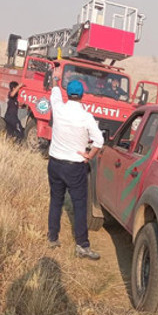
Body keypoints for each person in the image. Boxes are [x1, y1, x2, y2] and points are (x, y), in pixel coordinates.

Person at [47, 70, 104, 260]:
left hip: (55, 163)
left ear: (68, 94)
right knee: (80, 205)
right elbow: (99, 141)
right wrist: (89, 156)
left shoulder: (59, 107)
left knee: (56, 200)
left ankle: (52, 237)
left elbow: (55, 89)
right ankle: (82, 245)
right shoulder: (86, 117)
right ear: (82, 95)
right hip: (75, 166)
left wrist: (56, 78)